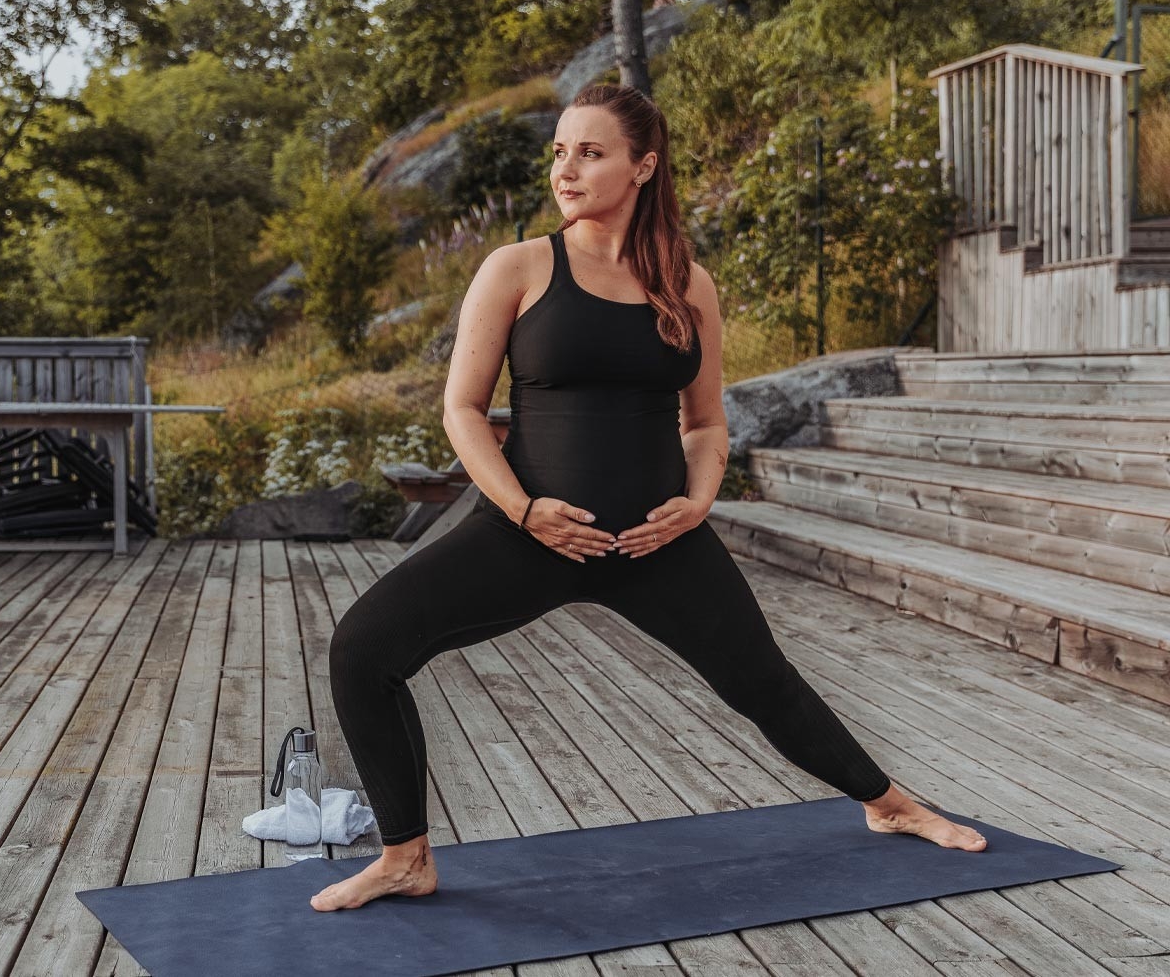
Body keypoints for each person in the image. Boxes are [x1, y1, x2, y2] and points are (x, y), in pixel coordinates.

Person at [310, 83, 987, 914]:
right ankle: (406, 856)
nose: (567, 167)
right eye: (560, 150)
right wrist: (526, 511)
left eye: (590, 151)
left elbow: (705, 422)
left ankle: (890, 803)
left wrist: (699, 501)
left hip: (657, 542)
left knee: (763, 683)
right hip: (529, 534)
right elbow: (460, 410)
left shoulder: (687, 283)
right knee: (363, 650)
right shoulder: (518, 267)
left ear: (643, 165)